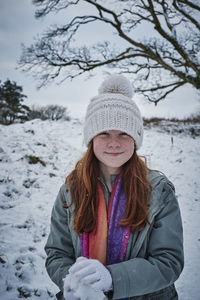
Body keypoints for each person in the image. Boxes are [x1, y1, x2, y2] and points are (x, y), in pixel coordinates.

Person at [44, 74, 184, 300]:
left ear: (135, 139)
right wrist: (74, 282)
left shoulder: (159, 191)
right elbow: (57, 253)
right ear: (91, 139)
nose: (114, 143)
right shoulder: (71, 190)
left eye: (123, 134)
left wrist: (112, 278)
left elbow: (168, 261)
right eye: (104, 133)